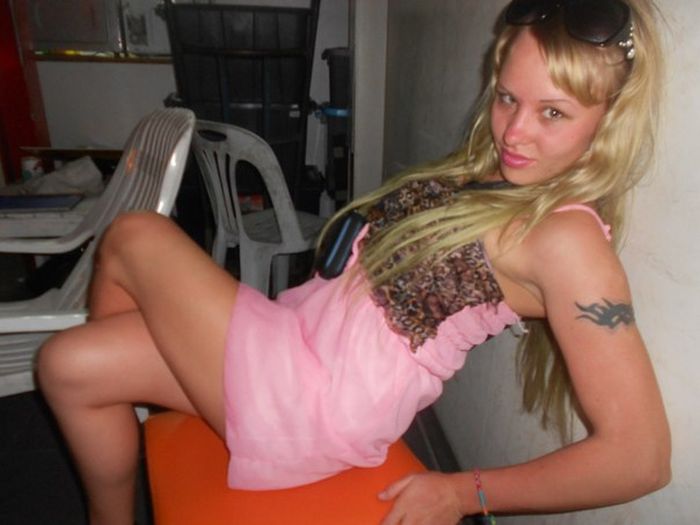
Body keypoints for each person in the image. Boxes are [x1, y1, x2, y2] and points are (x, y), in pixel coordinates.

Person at [36, 0, 671, 523]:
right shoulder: (497, 175)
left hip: (317, 404)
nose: (515, 132)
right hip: (294, 340)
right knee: (68, 366)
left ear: (608, 121)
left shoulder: (568, 240)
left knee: (136, 234)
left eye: (553, 112)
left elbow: (639, 458)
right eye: (508, 98)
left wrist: (463, 492)